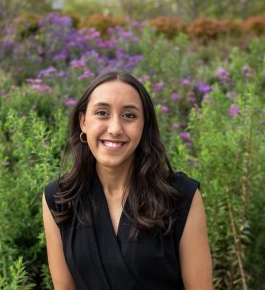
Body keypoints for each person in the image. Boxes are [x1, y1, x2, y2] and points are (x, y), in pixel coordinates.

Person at [42, 70, 213, 290]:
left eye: (129, 116)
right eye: (102, 113)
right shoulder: (59, 199)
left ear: (144, 126)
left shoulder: (181, 197)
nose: (114, 129)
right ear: (83, 121)